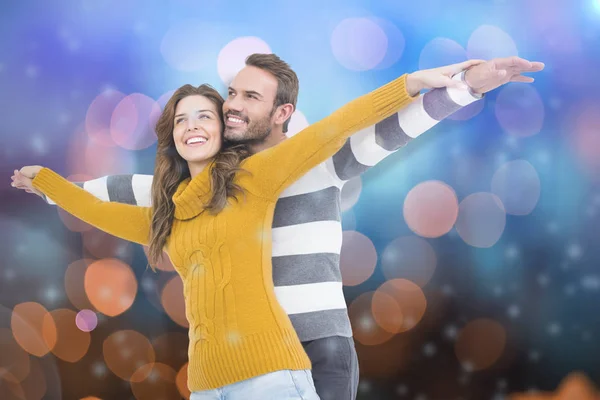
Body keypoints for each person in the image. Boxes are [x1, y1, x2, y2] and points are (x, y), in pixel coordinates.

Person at [12, 54, 544, 400]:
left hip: (313, 347)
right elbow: (133, 193)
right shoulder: (209, 185)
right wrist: (55, 182)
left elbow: (384, 128)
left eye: (250, 97)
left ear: (284, 112)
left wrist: (462, 87)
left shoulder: (319, 161)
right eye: (232, 94)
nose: (232, 105)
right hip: (234, 358)